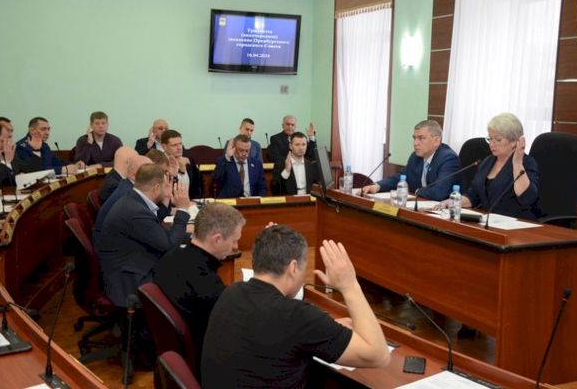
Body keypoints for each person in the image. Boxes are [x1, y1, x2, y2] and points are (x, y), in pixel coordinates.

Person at [201, 226, 390, 388]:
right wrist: (350, 285)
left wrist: (327, 326)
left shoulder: (232, 292)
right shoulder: (297, 316)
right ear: (293, 268)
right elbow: (379, 356)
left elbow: (271, 328)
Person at [153, 202, 246, 375]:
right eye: (234, 240)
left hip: (177, 356)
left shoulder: (172, 256)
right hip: (206, 361)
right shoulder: (207, 285)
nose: (236, 247)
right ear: (217, 239)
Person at [97, 164, 191, 308]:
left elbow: (158, 232)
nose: (168, 189)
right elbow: (169, 245)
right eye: (166, 185)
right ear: (156, 188)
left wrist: (194, 237)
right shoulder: (135, 211)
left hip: (135, 263)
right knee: (187, 277)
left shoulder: (133, 200)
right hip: (128, 281)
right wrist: (183, 209)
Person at [439, 113, 541, 220]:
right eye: (490, 139)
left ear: (514, 142)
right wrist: (452, 202)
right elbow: (473, 197)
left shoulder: (526, 163)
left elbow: (527, 198)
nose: (492, 144)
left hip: (517, 223)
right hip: (488, 221)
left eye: (498, 139)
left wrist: (517, 163)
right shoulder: (487, 162)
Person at [362, 120, 461, 201]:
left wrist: (417, 191)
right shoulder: (415, 157)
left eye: (421, 138)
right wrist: (378, 186)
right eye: (414, 138)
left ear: (436, 140)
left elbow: (439, 192)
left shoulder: (448, 159)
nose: (415, 143)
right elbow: (401, 177)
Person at [92, 154, 153, 246]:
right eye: (149, 172)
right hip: (111, 246)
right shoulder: (127, 194)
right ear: (134, 175)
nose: (154, 175)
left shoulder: (128, 186)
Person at [16, 117, 82, 175]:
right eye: (43, 129)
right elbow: (35, 170)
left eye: (48, 129)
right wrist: (61, 170)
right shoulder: (21, 147)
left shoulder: (44, 145)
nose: (47, 133)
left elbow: (57, 162)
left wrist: (75, 164)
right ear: (32, 130)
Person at [161, 129, 202, 200]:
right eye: (174, 145)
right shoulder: (160, 163)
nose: (179, 148)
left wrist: (194, 201)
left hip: (191, 202)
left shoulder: (189, 160)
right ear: (164, 146)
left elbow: (197, 183)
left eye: (180, 144)